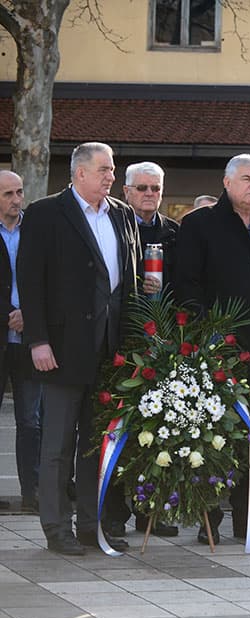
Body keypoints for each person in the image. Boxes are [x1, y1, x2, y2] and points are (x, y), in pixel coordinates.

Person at [20, 142, 140, 555]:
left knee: (96, 444)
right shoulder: (45, 213)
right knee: (57, 446)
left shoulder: (122, 215)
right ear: (79, 173)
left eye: (113, 170)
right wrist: (37, 340)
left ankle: (92, 525)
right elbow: (31, 282)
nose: (111, 176)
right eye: (104, 169)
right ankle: (57, 528)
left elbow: (130, 282)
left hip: (110, 352)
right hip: (60, 349)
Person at [175, 153, 250, 545]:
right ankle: (208, 519)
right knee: (212, 437)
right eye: (246, 178)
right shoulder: (199, 225)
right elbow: (186, 287)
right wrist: (204, 334)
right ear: (226, 182)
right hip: (216, 352)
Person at [119, 161, 182, 537]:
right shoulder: (115, 226)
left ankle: (152, 513)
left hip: (163, 341)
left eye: (155, 188)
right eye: (141, 188)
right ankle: (113, 514)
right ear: (126, 191)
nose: (148, 195)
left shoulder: (174, 234)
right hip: (121, 342)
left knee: (161, 431)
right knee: (120, 433)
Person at [0, 170, 41, 514]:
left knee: (31, 419)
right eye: (8, 194)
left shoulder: (36, 229)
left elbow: (50, 278)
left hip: (29, 339)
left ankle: (33, 493)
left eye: (19, 192)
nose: (16, 200)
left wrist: (28, 311)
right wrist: (8, 314)